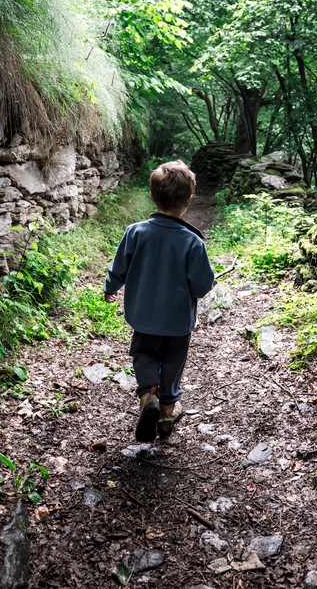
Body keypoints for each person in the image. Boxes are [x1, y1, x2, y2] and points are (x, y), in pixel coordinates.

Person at [104, 161, 215, 442]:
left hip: (143, 316)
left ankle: (147, 394)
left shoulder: (135, 232)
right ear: (188, 201)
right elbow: (202, 286)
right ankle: (167, 407)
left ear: (152, 196)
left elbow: (119, 267)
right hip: (178, 321)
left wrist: (111, 287)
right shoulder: (193, 242)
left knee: (144, 354)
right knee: (174, 360)